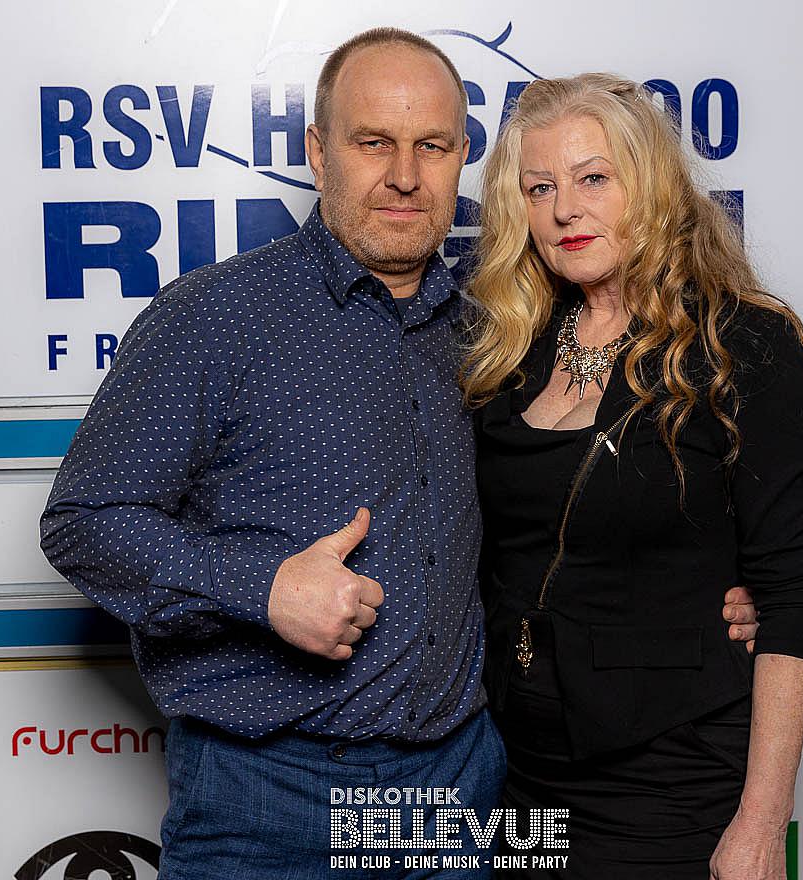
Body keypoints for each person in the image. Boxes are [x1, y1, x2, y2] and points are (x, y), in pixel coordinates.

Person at [40, 29, 760, 879]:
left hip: (454, 788)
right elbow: (83, 523)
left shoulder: (501, 334)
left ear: (463, 158)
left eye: (433, 146)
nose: (406, 176)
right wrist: (262, 588)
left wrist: (708, 594)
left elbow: (569, 515)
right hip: (268, 798)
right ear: (318, 153)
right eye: (373, 142)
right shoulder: (217, 316)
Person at [462, 74, 803, 879]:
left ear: (653, 187)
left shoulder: (744, 345)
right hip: (518, 770)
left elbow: (791, 601)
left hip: (674, 773)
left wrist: (762, 825)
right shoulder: (508, 350)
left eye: (594, 178)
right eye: (540, 188)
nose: (565, 210)